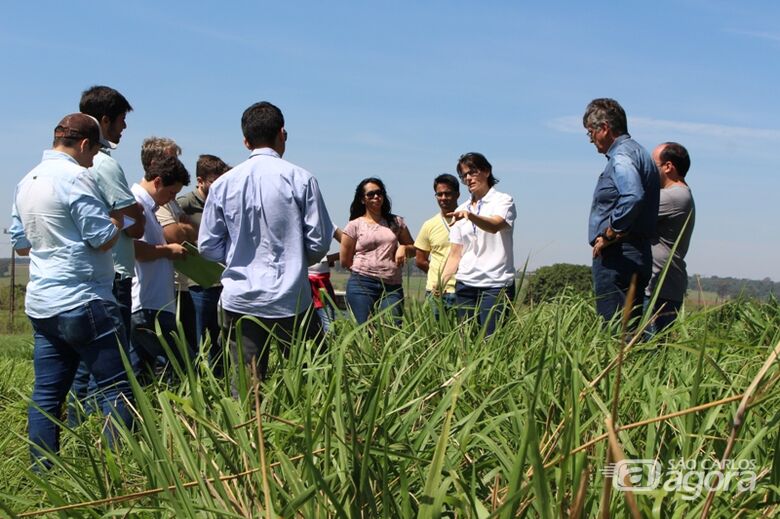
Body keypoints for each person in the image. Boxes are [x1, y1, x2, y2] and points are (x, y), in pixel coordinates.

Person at [9, 114, 133, 467]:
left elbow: (20, 244)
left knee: (47, 395)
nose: (94, 160)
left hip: (43, 304)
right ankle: (115, 474)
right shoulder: (78, 178)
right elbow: (103, 238)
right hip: (84, 298)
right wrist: (116, 220)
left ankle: (43, 474)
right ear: (83, 145)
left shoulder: (26, 181)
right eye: (94, 152)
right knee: (117, 389)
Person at [199, 101, 334, 382]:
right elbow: (320, 242)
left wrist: (238, 257)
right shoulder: (301, 179)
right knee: (310, 381)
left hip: (240, 298)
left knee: (246, 388)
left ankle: (248, 426)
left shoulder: (223, 184)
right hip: (291, 298)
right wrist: (295, 260)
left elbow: (207, 246)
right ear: (282, 133)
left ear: (246, 141)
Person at [70, 86, 143, 420]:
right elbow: (134, 220)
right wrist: (135, 215)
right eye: (121, 120)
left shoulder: (72, 164)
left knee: (84, 364)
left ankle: (76, 426)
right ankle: (103, 430)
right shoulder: (105, 164)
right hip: (114, 273)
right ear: (104, 120)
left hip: (88, 272)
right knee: (110, 365)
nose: (124, 128)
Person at [583, 98, 660, 324]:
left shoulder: (621, 157)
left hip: (619, 256)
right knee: (630, 331)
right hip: (638, 252)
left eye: (590, 133)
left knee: (613, 332)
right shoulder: (640, 152)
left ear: (604, 128)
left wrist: (611, 232)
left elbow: (633, 195)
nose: (591, 140)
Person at [436, 153, 516, 336]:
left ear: (486, 171)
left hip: (496, 284)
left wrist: (470, 216)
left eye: (472, 172)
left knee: (492, 341)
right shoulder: (460, 210)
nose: (468, 178)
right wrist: (442, 281)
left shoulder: (503, 200)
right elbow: (456, 253)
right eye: (464, 175)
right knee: (466, 341)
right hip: (465, 284)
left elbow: (495, 225)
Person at [131, 155, 193, 375]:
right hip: (147, 303)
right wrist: (168, 250)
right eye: (171, 193)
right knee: (180, 364)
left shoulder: (149, 207)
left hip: (156, 302)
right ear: (157, 181)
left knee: (142, 369)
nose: (170, 199)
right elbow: (134, 249)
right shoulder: (136, 206)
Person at [178, 154, 230, 373]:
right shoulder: (184, 204)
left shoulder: (224, 203)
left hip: (222, 282)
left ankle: (218, 380)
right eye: (214, 182)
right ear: (200, 180)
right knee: (196, 338)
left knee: (221, 339)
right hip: (197, 283)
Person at [144, 137, 198, 350]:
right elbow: (175, 234)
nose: (178, 165)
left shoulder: (170, 198)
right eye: (172, 159)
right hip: (165, 288)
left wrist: (186, 230)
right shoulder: (155, 199)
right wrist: (184, 229)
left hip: (177, 284)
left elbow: (189, 232)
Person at [340, 178, 415, 325]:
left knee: (393, 328)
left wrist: (404, 248)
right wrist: (367, 270)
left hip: (392, 286)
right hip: (362, 283)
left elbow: (414, 250)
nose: (376, 197)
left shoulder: (396, 222)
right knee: (365, 330)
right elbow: (345, 261)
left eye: (379, 193)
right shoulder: (354, 225)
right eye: (371, 194)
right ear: (362, 199)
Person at [645, 142, 695, 332]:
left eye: (652, 165)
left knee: (650, 352)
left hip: (660, 290)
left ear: (668, 166)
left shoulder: (674, 196)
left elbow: (632, 213)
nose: (648, 170)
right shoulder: (679, 194)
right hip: (663, 287)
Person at [415, 174, 460, 317]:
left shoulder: (468, 220)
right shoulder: (429, 225)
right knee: (435, 336)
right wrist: (437, 275)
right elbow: (420, 260)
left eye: (448, 193)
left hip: (463, 288)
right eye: (439, 194)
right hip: (436, 291)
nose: (443, 198)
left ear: (457, 194)